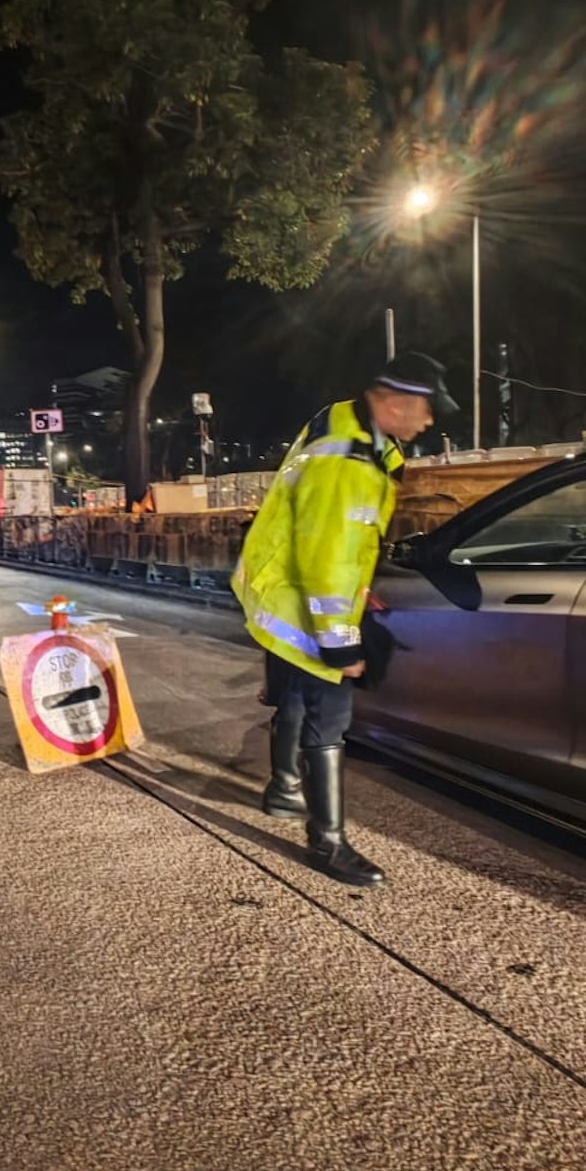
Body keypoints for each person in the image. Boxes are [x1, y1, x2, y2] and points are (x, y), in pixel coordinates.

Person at [233, 351, 456, 886]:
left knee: (290, 695)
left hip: (279, 591)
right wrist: (343, 646)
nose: (428, 422)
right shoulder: (349, 464)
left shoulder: (341, 426)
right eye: (423, 410)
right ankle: (328, 844)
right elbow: (327, 557)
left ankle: (284, 789)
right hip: (305, 601)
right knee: (329, 719)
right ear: (392, 401)